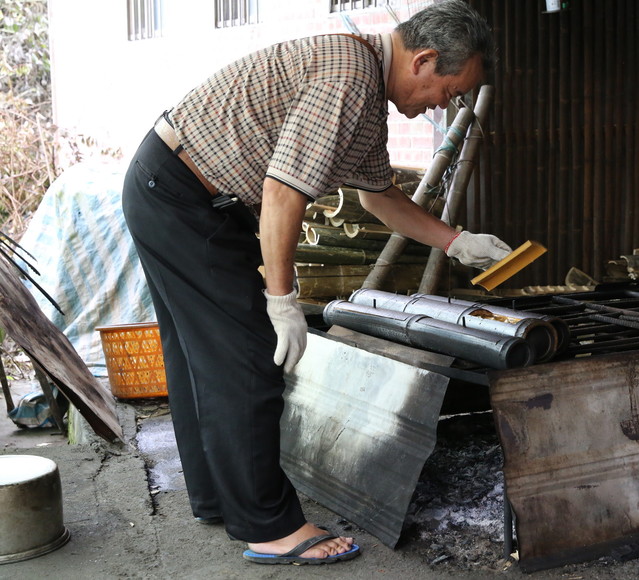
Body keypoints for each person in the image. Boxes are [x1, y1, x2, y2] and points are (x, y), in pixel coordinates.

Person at [121, 0, 510, 567]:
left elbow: (378, 196)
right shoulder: (349, 74)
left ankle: (219, 498)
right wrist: (282, 303)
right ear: (423, 61)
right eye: (451, 91)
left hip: (170, 186)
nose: (445, 105)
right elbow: (283, 193)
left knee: (198, 356)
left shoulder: (364, 85)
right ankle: (268, 526)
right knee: (248, 359)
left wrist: (455, 241)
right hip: (184, 197)